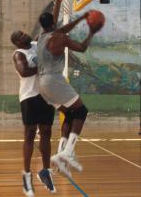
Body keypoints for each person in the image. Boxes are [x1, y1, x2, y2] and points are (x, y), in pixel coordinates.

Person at [10, 0, 63, 196]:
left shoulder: (37, 43)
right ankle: (26, 174)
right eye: (20, 35)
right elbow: (24, 72)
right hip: (30, 97)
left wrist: (57, 3)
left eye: (23, 32)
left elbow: (52, 25)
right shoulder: (19, 54)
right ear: (17, 42)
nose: (24, 34)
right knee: (30, 134)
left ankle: (46, 171)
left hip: (46, 95)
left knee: (47, 133)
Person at [37, 9, 101, 177]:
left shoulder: (41, 37)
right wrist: (91, 32)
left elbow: (63, 29)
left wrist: (80, 18)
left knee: (70, 114)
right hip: (54, 80)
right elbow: (81, 48)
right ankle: (68, 151)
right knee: (81, 111)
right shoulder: (59, 37)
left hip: (42, 84)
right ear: (54, 23)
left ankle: (60, 156)